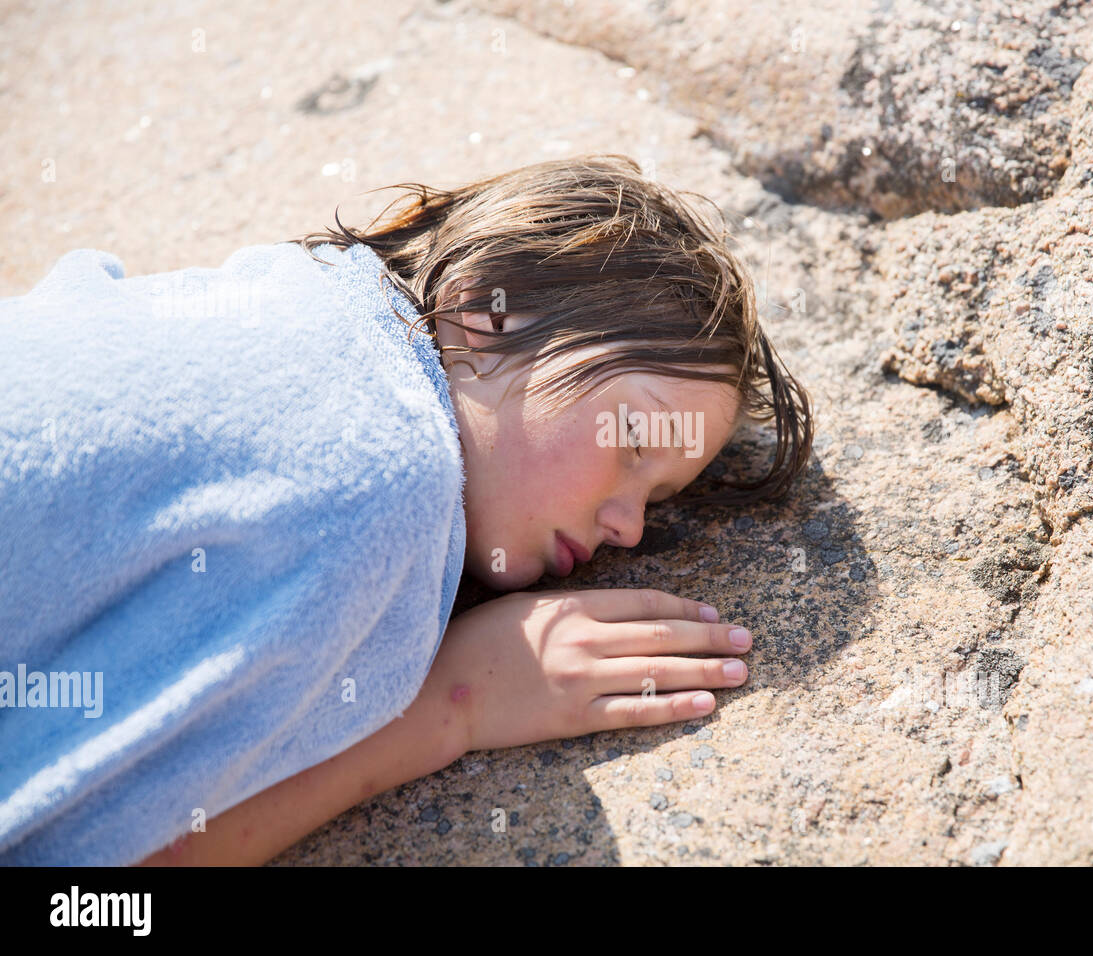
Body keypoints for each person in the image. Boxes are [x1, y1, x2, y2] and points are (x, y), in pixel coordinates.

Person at [0, 154, 813, 866]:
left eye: (656, 500)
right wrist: (453, 705)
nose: (630, 528)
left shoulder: (281, 298)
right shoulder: (383, 483)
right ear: (488, 312)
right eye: (631, 439)